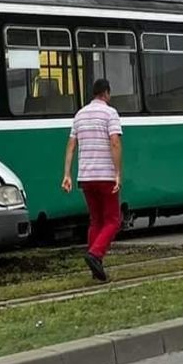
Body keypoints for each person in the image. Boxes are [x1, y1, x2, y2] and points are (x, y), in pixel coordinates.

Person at [62, 79, 123, 283]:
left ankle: (95, 265)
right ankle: (95, 255)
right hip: (105, 175)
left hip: (85, 177)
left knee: (96, 221)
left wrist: (67, 174)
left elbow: (71, 145)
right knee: (113, 220)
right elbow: (114, 142)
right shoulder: (110, 113)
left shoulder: (80, 114)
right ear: (106, 93)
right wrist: (117, 173)